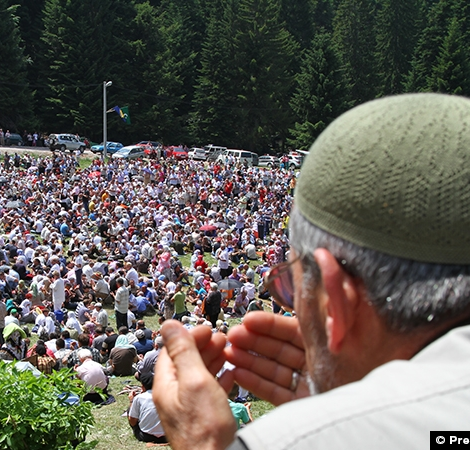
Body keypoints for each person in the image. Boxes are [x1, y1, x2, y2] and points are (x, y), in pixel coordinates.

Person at [152, 93, 470, 449]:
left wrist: (204, 445)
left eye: (289, 284)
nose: (291, 307)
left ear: (334, 300)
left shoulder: (282, 443)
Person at [128, 372, 166, 444]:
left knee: (130, 409)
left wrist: (131, 401)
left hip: (146, 436)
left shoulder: (139, 398)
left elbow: (132, 422)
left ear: (143, 386)